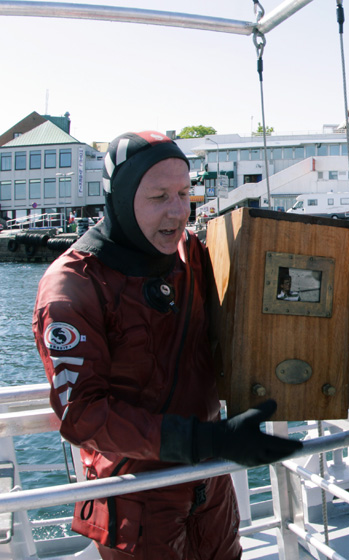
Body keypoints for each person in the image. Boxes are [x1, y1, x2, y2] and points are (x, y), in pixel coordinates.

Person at [32, 131, 302, 560]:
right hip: (138, 498)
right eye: (159, 196)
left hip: (210, 488)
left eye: (183, 193)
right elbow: (83, 415)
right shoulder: (73, 286)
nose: (178, 212)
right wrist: (207, 440)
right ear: (119, 198)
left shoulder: (189, 253)